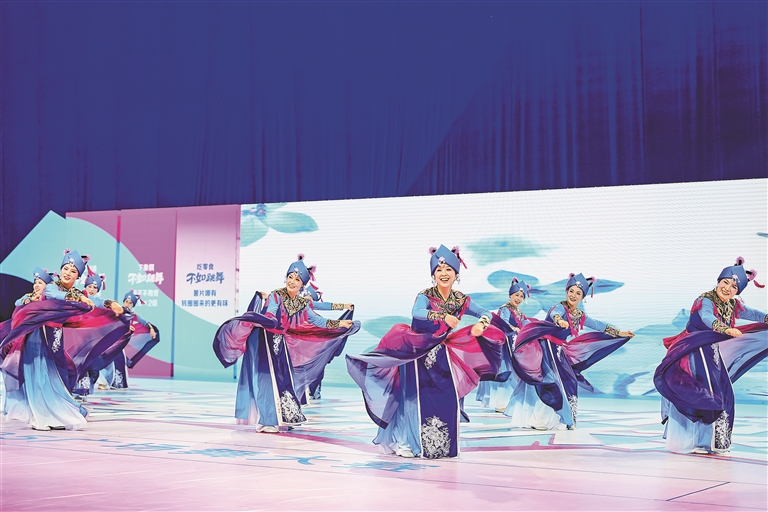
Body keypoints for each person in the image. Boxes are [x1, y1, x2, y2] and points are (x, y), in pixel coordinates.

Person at [346, 245, 506, 458]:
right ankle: (408, 442)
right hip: (416, 351)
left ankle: (441, 446)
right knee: (414, 397)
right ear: (433, 275)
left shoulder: (461, 299)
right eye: (439, 270)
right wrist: (442, 316)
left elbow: (486, 312)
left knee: (445, 396)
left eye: (448, 270)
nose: (444, 274)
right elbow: (417, 312)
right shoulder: (425, 295)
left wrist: (481, 325)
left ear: (456, 274)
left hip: (442, 352)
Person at [213, 254, 359, 432]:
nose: (292, 281)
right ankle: (267, 421)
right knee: (267, 379)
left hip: (279, 341)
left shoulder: (302, 303)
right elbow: (271, 312)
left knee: (285, 378)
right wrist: (269, 319)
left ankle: (283, 418)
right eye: (290, 277)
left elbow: (317, 320)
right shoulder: (277, 295)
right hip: (264, 339)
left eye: (297, 279)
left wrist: (341, 322)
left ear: (302, 285)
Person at [1, 252, 131, 430]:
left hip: (55, 337)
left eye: (73, 271)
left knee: (57, 377)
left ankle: (56, 416)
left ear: (78, 276)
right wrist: (80, 298)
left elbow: (94, 301)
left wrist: (111, 304)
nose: (68, 273)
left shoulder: (75, 292)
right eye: (65, 268)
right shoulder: (51, 287)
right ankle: (40, 418)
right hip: (38, 337)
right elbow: (56, 295)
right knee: (39, 375)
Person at [655, 258, 768, 455]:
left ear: (737, 291)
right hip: (692, 349)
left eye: (733, 287)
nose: (727, 288)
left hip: (710, 351)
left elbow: (754, 314)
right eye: (725, 282)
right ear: (718, 281)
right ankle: (691, 441)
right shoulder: (705, 299)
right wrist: (724, 328)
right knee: (700, 392)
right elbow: (707, 317)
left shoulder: (733, 304)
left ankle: (708, 442)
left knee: (722, 393)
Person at [507, 273, 634, 430]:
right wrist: (559, 321)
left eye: (578, 293)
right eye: (571, 291)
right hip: (546, 349)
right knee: (551, 382)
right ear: (567, 291)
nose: (573, 295)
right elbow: (555, 315)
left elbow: (598, 325)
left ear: (583, 297)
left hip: (559, 350)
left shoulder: (579, 315)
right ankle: (540, 420)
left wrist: (620, 333)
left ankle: (558, 420)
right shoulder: (559, 307)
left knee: (569, 381)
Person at [476, 277, 530, 412]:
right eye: (516, 295)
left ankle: (508, 402)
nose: (518, 298)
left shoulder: (519, 313)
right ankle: (500, 403)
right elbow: (502, 323)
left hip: (513, 346)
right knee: (504, 373)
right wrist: (514, 328)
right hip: (504, 347)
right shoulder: (505, 309)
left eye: (521, 296)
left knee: (512, 373)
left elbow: (526, 324)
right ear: (510, 295)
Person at [301, 282, 354, 401]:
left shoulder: (310, 310)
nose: (309, 300)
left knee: (318, 364)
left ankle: (314, 390)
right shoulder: (297, 304)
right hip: (299, 342)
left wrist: (344, 306)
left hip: (313, 344)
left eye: (311, 299)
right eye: (307, 297)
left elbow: (325, 306)